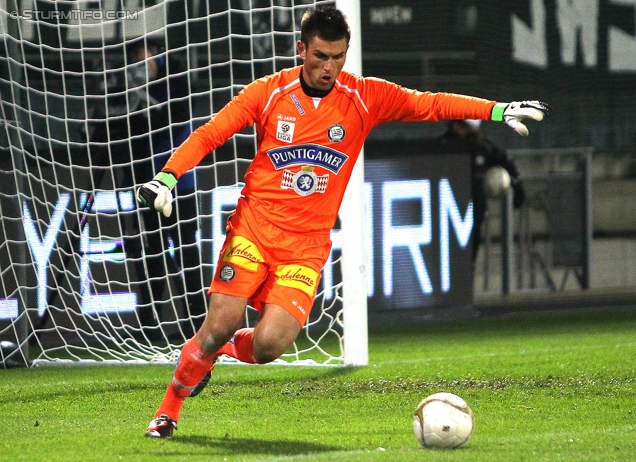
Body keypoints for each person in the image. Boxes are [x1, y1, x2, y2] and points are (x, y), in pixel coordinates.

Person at [137, 6, 549, 438]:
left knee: (270, 345)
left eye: (338, 57)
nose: (329, 67)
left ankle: (213, 354)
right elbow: (210, 133)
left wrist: (495, 111)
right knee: (217, 325)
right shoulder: (268, 93)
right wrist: (167, 176)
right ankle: (168, 412)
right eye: (320, 56)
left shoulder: (363, 96)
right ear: (302, 50)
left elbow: (428, 104)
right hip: (254, 229)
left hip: (307, 245)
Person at [87, 39, 206, 339]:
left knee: (187, 251)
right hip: (144, 180)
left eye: (145, 63)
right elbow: (123, 127)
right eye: (135, 66)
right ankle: (148, 324)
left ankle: (198, 322)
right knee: (150, 251)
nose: (140, 71)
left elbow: (171, 121)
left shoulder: (177, 81)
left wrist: (144, 99)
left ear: (157, 59)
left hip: (180, 183)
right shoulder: (125, 88)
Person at [431, 119, 526, 260]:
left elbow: (505, 161)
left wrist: (518, 189)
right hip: (445, 215)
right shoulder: (441, 146)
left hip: (474, 212)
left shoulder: (482, 147)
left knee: (468, 260)